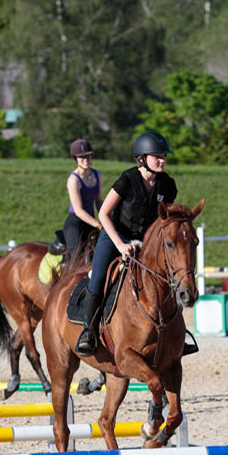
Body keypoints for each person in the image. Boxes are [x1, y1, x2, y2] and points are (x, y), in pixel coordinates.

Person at [75, 131, 178, 357]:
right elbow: (103, 214)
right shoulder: (127, 180)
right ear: (142, 158)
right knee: (99, 276)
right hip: (115, 237)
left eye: (163, 156)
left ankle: (175, 334)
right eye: (156, 156)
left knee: (171, 278)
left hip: (146, 244)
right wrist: (121, 245)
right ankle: (88, 331)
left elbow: (166, 220)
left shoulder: (168, 185)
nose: (162, 160)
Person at [62, 138, 103, 257]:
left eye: (88, 157)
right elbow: (79, 211)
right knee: (76, 257)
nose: (86, 160)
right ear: (75, 159)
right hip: (76, 223)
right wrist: (99, 225)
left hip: (91, 221)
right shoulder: (73, 180)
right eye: (82, 158)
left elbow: (99, 201)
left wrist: (107, 217)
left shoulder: (98, 175)